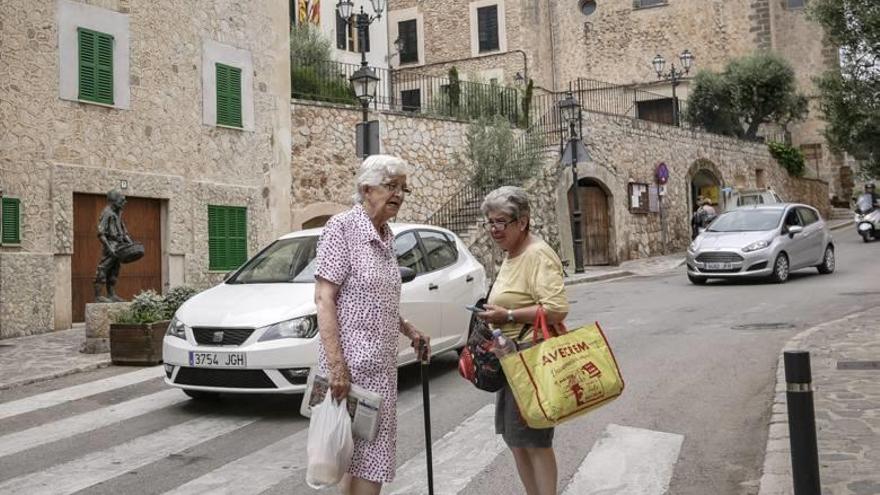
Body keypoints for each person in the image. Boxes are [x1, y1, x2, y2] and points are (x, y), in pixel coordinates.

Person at [313, 154, 430, 495]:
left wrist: (408, 329)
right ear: (366, 188)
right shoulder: (343, 228)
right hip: (348, 370)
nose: (399, 194)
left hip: (380, 370)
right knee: (354, 462)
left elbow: (376, 300)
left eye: (403, 188)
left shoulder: (387, 236)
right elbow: (324, 298)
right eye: (391, 186)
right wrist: (337, 366)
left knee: (366, 462)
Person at [475, 186, 569, 495]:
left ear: (523, 221)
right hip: (511, 358)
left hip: (532, 357)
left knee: (535, 441)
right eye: (490, 222)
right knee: (516, 439)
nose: (494, 229)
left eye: (501, 221)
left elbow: (555, 309)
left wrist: (509, 316)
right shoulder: (513, 254)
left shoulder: (537, 254)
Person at [94, 189, 132, 302]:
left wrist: (130, 243)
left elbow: (124, 232)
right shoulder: (107, 212)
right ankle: (98, 296)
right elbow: (100, 233)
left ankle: (111, 294)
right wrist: (109, 248)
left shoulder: (118, 213)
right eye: (121, 200)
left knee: (114, 270)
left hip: (119, 245)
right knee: (103, 268)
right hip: (110, 245)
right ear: (113, 200)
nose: (123, 202)